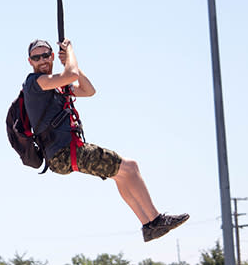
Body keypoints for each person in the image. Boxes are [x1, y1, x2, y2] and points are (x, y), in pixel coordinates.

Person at [22, 38, 189, 242]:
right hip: (64, 152)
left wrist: (72, 64)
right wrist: (71, 56)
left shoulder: (57, 86)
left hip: (65, 153)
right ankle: (155, 220)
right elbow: (71, 74)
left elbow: (88, 90)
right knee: (131, 167)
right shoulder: (35, 83)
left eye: (45, 55)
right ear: (30, 61)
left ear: (52, 57)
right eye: (36, 57)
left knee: (122, 175)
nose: (42, 60)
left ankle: (148, 225)